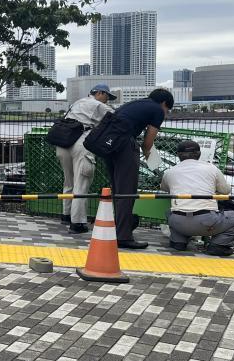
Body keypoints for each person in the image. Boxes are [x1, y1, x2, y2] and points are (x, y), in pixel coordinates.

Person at [98, 87, 174, 249]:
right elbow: (148, 141)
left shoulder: (135, 104)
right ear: (164, 103)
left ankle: (118, 229)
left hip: (108, 145)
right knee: (127, 191)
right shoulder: (157, 110)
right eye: (168, 109)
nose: (166, 113)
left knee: (118, 190)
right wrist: (149, 155)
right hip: (124, 144)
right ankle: (124, 236)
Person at [160, 139, 234, 256]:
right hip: (206, 223)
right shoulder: (211, 168)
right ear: (199, 154)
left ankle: (178, 242)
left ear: (178, 155)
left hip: (178, 222)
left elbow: (165, 188)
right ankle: (217, 245)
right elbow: (225, 191)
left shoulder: (170, 172)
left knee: (169, 212)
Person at [56, 84, 115, 233]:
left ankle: (66, 215)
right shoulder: (97, 105)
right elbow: (116, 118)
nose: (107, 100)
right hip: (80, 143)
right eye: (107, 96)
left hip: (63, 143)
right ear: (100, 93)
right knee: (81, 183)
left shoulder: (77, 102)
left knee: (68, 181)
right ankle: (78, 223)